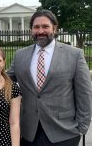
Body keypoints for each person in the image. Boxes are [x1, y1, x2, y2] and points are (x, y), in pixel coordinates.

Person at [7, 10, 92, 146]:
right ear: (31, 30)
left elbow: (85, 93)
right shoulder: (20, 55)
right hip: (29, 133)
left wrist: (82, 128)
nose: (40, 31)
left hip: (64, 133)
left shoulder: (74, 55)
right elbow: (4, 81)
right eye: (36, 27)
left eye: (45, 26)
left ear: (54, 28)